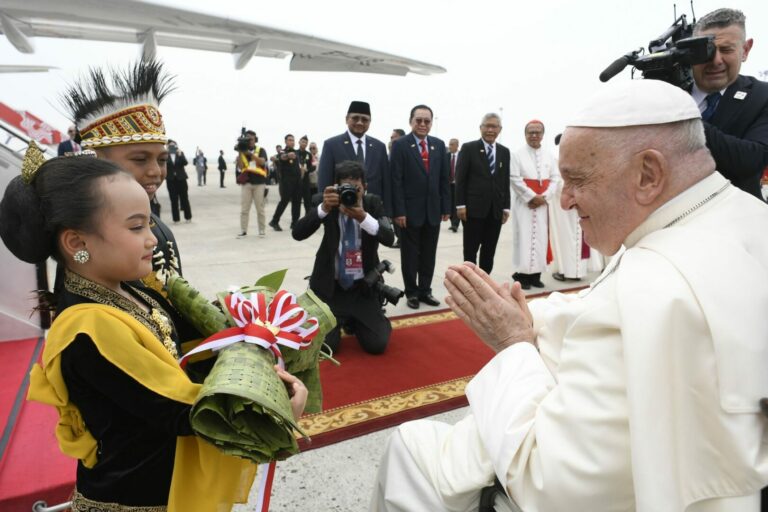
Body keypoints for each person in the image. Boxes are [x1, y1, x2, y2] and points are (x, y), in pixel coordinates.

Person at [371, 78, 768, 512]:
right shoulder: (742, 215)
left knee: (409, 449)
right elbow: (602, 304)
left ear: (649, 174)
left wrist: (512, 346)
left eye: (577, 180)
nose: (567, 201)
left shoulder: (652, 285)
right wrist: (533, 318)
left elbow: (548, 484)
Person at [0, 151, 308, 510]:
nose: (152, 239)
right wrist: (271, 404)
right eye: (136, 227)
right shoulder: (89, 328)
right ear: (77, 243)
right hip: (135, 499)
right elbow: (182, 411)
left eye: (150, 222)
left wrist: (255, 331)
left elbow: (191, 345)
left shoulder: (127, 288)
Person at [62, 60, 185, 283]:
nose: (155, 171)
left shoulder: (154, 222)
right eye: (140, 159)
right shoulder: (90, 237)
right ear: (96, 159)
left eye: (162, 159)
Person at [292, 160, 395, 354]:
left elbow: (389, 238)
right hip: (331, 289)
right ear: (335, 187)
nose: (351, 194)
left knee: (377, 344)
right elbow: (298, 233)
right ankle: (344, 320)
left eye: (356, 188)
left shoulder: (373, 203)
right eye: (344, 188)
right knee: (327, 347)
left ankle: (359, 320)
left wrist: (362, 216)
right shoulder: (325, 203)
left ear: (364, 187)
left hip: (362, 288)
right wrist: (323, 208)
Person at [691, 7, 768, 201]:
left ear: (745, 49)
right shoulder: (664, 92)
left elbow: (751, 160)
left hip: (735, 220)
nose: (716, 60)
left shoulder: (762, 96)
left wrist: (683, 118)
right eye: (706, 51)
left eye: (726, 50)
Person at [390, 104, 450, 309]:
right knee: (409, 255)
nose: (423, 124)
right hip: (408, 212)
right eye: (419, 120)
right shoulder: (400, 145)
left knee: (428, 254)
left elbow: (444, 179)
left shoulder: (439, 145)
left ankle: (425, 290)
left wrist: (445, 207)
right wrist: (398, 211)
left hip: (433, 210)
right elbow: (395, 180)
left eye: (427, 121)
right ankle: (412, 293)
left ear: (431, 123)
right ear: (411, 121)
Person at [455, 114, 510, 274]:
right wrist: (460, 205)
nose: (490, 130)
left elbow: (504, 180)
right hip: (473, 210)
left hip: (495, 211)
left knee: (489, 250)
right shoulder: (468, 148)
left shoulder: (504, 152)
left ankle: (485, 283)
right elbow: (460, 179)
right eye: (487, 126)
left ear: (500, 129)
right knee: (470, 251)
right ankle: (469, 282)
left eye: (494, 126)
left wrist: (506, 207)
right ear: (481, 128)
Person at [509, 120, 560, 289]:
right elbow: (514, 178)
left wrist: (544, 197)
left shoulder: (549, 156)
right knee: (525, 238)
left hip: (543, 204)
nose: (534, 135)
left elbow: (555, 178)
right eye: (530, 132)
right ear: (525, 134)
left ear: (543, 135)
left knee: (541, 239)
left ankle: (536, 276)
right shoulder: (517, 155)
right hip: (525, 205)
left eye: (537, 132)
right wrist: (531, 197)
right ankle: (522, 276)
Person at [317, 101, 390, 212]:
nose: (360, 122)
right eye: (355, 118)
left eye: (365, 119)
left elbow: (386, 182)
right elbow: (324, 181)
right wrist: (326, 209)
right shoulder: (331, 145)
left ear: (370, 122)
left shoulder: (379, 147)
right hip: (341, 209)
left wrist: (387, 211)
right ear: (347, 119)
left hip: (372, 210)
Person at [549, 132, 590, 282]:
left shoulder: (556, 156)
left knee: (566, 237)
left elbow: (557, 180)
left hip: (563, 201)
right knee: (578, 235)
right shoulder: (582, 154)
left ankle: (569, 272)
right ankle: (577, 272)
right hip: (581, 198)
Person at [236, 130, 269, 238]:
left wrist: (250, 154)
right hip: (247, 183)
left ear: (255, 139)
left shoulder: (261, 150)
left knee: (260, 208)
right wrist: (240, 152)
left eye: (252, 138)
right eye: (248, 138)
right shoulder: (242, 151)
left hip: (259, 183)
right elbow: (241, 167)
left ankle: (262, 230)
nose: (250, 140)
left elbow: (262, 162)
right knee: (244, 208)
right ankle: (243, 230)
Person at [269, 134, 302, 231]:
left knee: (297, 202)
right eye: (290, 140)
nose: (292, 142)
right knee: (284, 201)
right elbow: (282, 157)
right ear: (285, 142)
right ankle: (274, 221)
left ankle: (295, 223)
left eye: (293, 140)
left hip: (297, 181)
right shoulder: (283, 152)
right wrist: (287, 156)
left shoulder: (296, 152)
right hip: (287, 182)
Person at [166, 139, 192, 224]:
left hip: (181, 179)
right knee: (173, 200)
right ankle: (176, 219)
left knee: (184, 198)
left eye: (174, 145)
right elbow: (163, 164)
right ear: (167, 146)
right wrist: (165, 153)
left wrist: (180, 155)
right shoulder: (165, 155)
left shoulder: (180, 153)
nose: (172, 147)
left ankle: (188, 217)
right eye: (170, 146)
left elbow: (185, 163)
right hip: (171, 180)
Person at [297, 135, 314, 214]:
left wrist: (308, 170)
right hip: (296, 181)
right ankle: (295, 222)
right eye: (303, 142)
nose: (304, 144)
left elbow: (312, 167)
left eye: (306, 143)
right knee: (296, 202)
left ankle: (307, 219)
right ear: (299, 142)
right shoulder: (295, 153)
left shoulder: (309, 155)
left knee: (307, 202)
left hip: (306, 181)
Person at [447, 137, 461, 232]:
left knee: (456, 204)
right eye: (449, 144)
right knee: (450, 204)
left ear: (456, 145)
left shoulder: (462, 155)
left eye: (452, 145)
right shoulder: (446, 156)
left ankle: (455, 224)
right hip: (448, 184)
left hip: (458, 184)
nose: (449, 146)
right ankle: (452, 223)